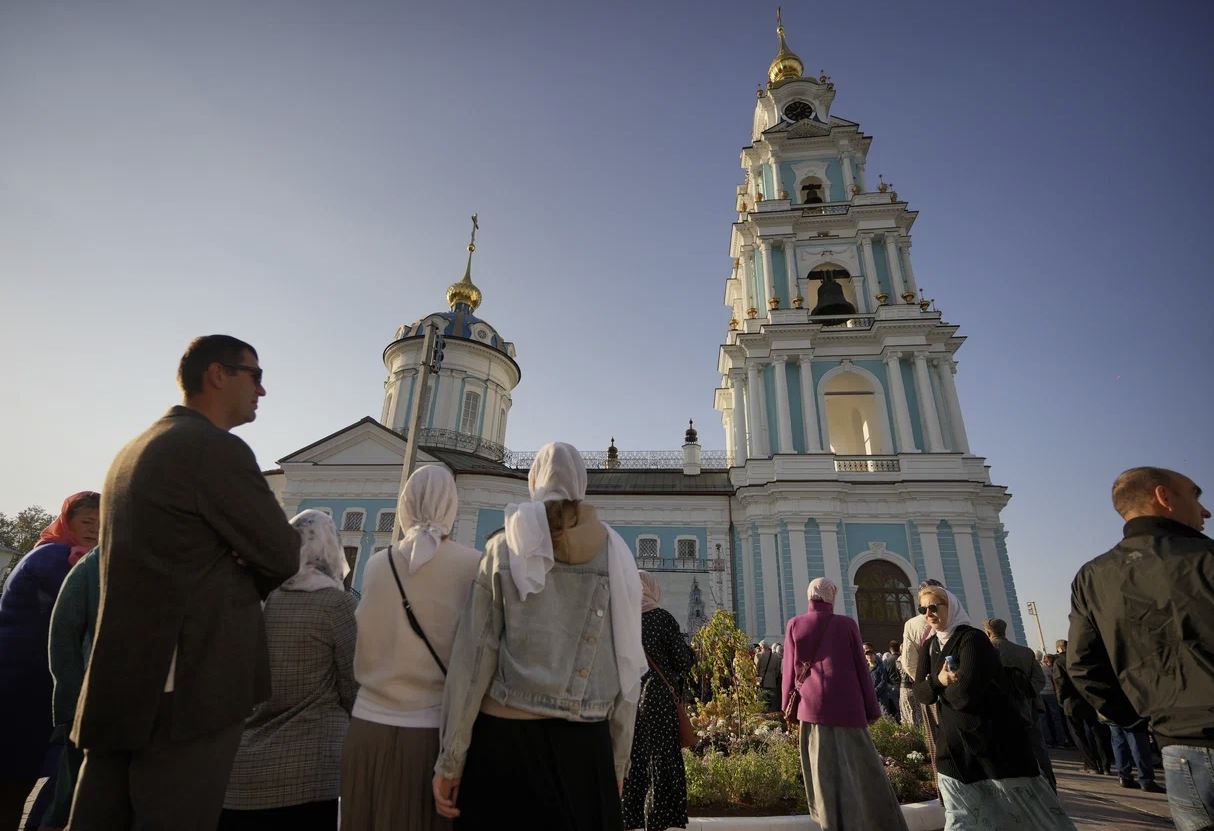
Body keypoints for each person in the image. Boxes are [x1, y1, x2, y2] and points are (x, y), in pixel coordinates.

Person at [68, 335, 301, 831]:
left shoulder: (132, 452)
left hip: (124, 676)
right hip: (189, 684)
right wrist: (239, 559)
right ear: (217, 374)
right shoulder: (215, 449)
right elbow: (283, 554)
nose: (263, 391)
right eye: (254, 376)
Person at [432, 442, 644, 830]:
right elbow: (626, 669)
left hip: (505, 745)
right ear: (582, 484)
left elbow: (474, 660)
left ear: (533, 483)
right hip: (585, 747)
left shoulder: (504, 547)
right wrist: (617, 763)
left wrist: (451, 760)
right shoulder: (615, 555)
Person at [1068, 466, 1212, 822]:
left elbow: (1082, 665)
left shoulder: (1093, 576)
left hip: (1178, 747)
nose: (1205, 510)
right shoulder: (1206, 559)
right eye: (1196, 495)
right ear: (1164, 497)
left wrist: (1136, 720)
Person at [340, 465, 480, 830]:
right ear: (452, 505)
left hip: (367, 728)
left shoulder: (376, 564)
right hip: (429, 736)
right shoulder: (472, 566)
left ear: (405, 504)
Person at [219, 509, 358, 828]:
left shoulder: (261, 598)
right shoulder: (336, 605)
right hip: (311, 769)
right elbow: (354, 686)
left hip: (242, 772)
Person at [912, 584, 1073, 830]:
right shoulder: (929, 646)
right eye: (923, 609)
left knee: (1029, 815)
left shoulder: (973, 639)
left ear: (951, 607)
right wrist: (939, 681)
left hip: (993, 745)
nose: (928, 614)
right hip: (954, 748)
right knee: (960, 818)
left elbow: (966, 694)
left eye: (934, 607)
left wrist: (937, 689)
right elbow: (921, 694)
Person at [0, 491, 99, 829]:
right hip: (20, 683)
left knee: (21, 781)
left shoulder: (55, 555)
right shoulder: (56, 559)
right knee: (16, 782)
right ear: (67, 522)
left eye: (102, 524)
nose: (94, 530)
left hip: (36, 682)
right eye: (86, 522)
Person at [783, 578, 908, 831]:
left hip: (812, 708)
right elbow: (863, 670)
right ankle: (876, 821)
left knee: (822, 772)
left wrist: (787, 706)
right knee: (862, 769)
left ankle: (832, 822)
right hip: (849, 708)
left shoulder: (795, 624)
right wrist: (872, 709)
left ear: (810, 596)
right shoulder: (847, 624)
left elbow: (789, 670)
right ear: (832, 597)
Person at [622, 571, 696, 831]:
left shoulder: (623, 620)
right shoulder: (661, 619)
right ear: (652, 589)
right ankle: (658, 816)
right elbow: (682, 660)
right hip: (657, 696)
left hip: (630, 695)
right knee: (661, 755)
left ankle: (630, 815)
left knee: (634, 755)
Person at [44, 546, 102, 829]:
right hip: (90, 706)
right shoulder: (95, 563)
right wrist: (72, 705)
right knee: (72, 800)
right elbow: (63, 638)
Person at [983, 618, 1056, 791]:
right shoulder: (1025, 652)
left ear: (987, 633)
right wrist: (1024, 694)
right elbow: (1039, 679)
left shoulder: (986, 653)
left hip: (1000, 711)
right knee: (1038, 748)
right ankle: (1050, 785)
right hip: (1029, 708)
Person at [1053, 639, 1112, 776]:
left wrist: (1061, 702)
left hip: (1071, 702)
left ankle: (1091, 765)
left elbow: (1060, 684)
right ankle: (1106, 765)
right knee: (1097, 732)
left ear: (1058, 649)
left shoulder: (1059, 662)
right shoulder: (1080, 657)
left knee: (1078, 735)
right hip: (1089, 700)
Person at [1038, 655, 1070, 749]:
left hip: (1041, 694)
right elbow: (1055, 681)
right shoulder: (1050, 669)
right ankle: (1061, 740)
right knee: (1056, 718)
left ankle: (1048, 740)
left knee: (1044, 718)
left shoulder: (1040, 668)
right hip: (1051, 694)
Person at [863, 642, 896, 721]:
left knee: (885, 715)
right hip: (871, 698)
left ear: (874, 655)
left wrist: (875, 691)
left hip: (881, 697)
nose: (869, 656)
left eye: (871, 654)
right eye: (867, 655)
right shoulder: (865, 669)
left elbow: (883, 681)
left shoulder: (880, 667)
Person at [755, 639, 781, 711]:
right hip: (772, 681)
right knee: (772, 701)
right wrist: (774, 678)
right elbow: (777, 670)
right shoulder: (775, 656)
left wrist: (757, 683)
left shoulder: (758, 656)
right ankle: (773, 715)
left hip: (761, 681)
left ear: (761, 647)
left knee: (763, 701)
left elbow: (756, 671)